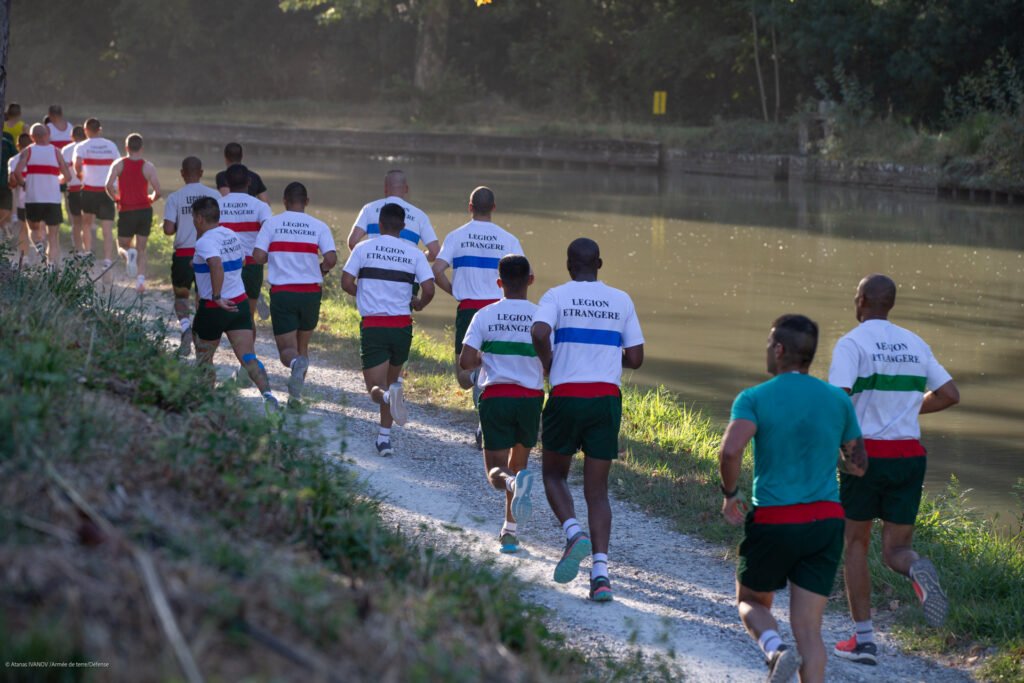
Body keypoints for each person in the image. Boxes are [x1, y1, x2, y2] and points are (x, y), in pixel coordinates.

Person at [719, 314, 868, 683]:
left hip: (775, 520)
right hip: (826, 523)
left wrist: (730, 494)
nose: (768, 351)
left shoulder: (755, 398)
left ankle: (774, 649)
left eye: (770, 344)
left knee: (751, 601)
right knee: (810, 631)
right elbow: (858, 466)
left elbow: (730, 451)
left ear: (780, 349)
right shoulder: (837, 399)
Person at [829, 274, 960, 666]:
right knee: (896, 550)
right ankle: (917, 568)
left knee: (856, 544)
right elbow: (950, 395)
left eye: (856, 295)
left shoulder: (851, 344)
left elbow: (838, 402)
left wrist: (839, 451)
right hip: (909, 457)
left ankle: (864, 641)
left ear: (864, 300)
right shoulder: (915, 343)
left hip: (866, 454)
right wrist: (905, 408)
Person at [530, 237, 644, 602]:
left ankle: (573, 531)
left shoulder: (556, 296)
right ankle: (600, 574)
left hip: (567, 396)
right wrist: (608, 356)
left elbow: (538, 332)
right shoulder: (621, 299)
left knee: (552, 474)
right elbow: (637, 356)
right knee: (597, 491)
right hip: (605, 400)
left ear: (568, 265)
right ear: (600, 263)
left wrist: (549, 363)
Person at [458, 254, 540, 554]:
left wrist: (484, 357)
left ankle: (511, 490)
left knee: (496, 473)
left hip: (496, 398)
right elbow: (551, 362)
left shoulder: (484, 315)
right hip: (530, 399)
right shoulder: (542, 316)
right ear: (530, 280)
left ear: (499, 282)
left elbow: (467, 362)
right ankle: (510, 532)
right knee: (519, 466)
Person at [341, 203, 435, 456]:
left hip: (374, 326)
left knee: (376, 389)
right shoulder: (414, 253)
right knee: (393, 383)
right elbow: (429, 288)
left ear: (379, 224)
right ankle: (384, 438)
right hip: (402, 327)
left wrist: (360, 293)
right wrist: (419, 304)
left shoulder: (363, 247)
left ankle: (386, 403)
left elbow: (346, 281)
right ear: (403, 227)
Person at [433, 186, 524, 446]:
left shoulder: (456, 236)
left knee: (465, 375)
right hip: (501, 309)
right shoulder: (509, 240)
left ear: (470, 206)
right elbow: (522, 277)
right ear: (494, 208)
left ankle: (483, 415)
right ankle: (487, 424)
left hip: (469, 310)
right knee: (495, 367)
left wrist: (456, 292)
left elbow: (437, 269)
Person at [189, 196, 277, 409]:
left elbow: (216, 265)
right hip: (239, 305)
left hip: (213, 309)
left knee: (204, 358)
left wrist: (217, 296)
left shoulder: (204, 241)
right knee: (248, 356)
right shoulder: (232, 235)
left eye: (193, 217)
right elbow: (244, 262)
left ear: (199, 218)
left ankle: (206, 403)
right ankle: (268, 396)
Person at [252, 182, 337, 401]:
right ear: (306, 202)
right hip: (311, 294)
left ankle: (294, 365)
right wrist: (321, 270)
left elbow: (258, 256)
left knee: (287, 352)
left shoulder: (272, 224)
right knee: (302, 346)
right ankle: (295, 398)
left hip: (284, 294)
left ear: (284, 201)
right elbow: (331, 259)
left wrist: (275, 256)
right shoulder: (319, 226)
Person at [162, 156, 221, 355]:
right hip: (207, 254)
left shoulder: (175, 197)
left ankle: (186, 328)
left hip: (183, 255)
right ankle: (200, 336)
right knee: (202, 297)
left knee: (181, 296)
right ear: (202, 173)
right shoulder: (214, 196)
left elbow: (169, 229)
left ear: (182, 173)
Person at [218, 164, 273, 347]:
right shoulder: (261, 207)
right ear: (249, 182)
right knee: (247, 316)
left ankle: (206, 362)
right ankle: (247, 362)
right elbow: (270, 232)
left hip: (221, 266)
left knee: (216, 313)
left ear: (226, 182)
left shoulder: (217, 205)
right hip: (251, 266)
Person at [105, 133, 161, 291]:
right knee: (141, 248)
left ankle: (128, 254)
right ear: (142, 148)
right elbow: (158, 191)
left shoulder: (118, 164)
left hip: (127, 211)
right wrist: (150, 199)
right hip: (144, 211)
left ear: (126, 147)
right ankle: (141, 282)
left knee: (121, 245)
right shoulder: (148, 166)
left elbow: (108, 185)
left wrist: (116, 199)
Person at [13, 123, 73, 265]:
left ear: (32, 137)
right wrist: (57, 180)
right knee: (53, 237)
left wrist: (24, 184)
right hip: (53, 199)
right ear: (47, 135)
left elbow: (17, 172)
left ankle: (39, 248)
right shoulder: (56, 151)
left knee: (33, 229)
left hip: (33, 198)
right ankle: (51, 265)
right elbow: (67, 176)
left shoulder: (28, 151)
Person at [347, 169, 440, 260]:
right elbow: (435, 252)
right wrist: (421, 256)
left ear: (385, 188)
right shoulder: (420, 216)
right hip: (405, 273)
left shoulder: (369, 208)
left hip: (373, 271)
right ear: (406, 189)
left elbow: (352, 242)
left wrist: (368, 260)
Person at [75, 119, 121, 273]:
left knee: (87, 224)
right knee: (107, 227)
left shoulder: (82, 146)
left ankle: (87, 254)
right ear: (99, 130)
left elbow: (77, 165)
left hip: (89, 189)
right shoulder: (111, 145)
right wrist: (117, 188)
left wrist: (81, 176)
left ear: (85, 129)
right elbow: (119, 166)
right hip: (107, 191)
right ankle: (107, 259)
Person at [7, 133, 31, 262]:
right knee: (41, 228)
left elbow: (12, 182)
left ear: (18, 145)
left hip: (22, 200)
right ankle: (43, 257)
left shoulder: (14, 160)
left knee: (23, 228)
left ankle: (25, 257)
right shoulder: (37, 157)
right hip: (40, 198)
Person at [63, 126, 86, 253]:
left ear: (72, 136)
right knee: (88, 222)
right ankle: (89, 248)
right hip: (88, 189)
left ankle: (78, 249)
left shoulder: (66, 149)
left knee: (76, 222)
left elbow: (63, 169)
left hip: (73, 189)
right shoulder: (87, 147)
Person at [0, 131, 17, 240]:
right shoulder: (7, 143)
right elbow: (16, 159)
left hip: (4, 183)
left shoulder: (7, 142)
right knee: (5, 212)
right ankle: (5, 231)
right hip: (4, 182)